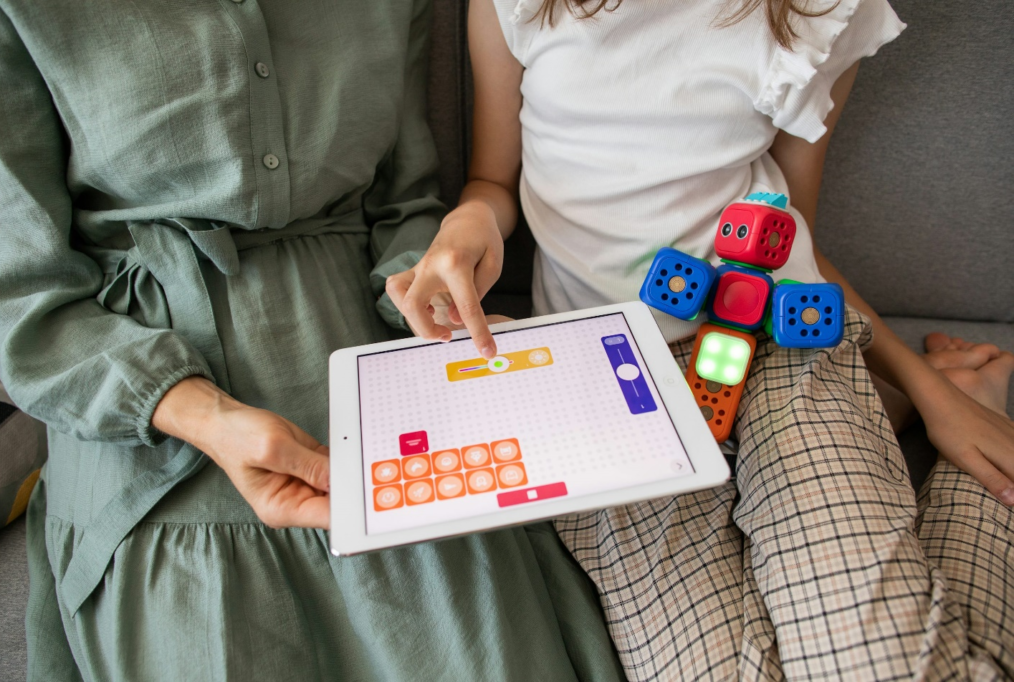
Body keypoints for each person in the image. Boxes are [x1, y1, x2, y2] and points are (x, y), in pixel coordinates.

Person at [0, 1, 629, 680]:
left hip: (377, 388)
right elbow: (26, 302)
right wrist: (204, 415)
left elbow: (402, 206)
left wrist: (435, 307)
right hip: (151, 430)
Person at [387, 0, 1014, 678]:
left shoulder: (821, 10)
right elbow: (491, 181)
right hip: (608, 383)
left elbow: (794, 230)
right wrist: (467, 223)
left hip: (781, 346)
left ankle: (945, 410)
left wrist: (924, 392)